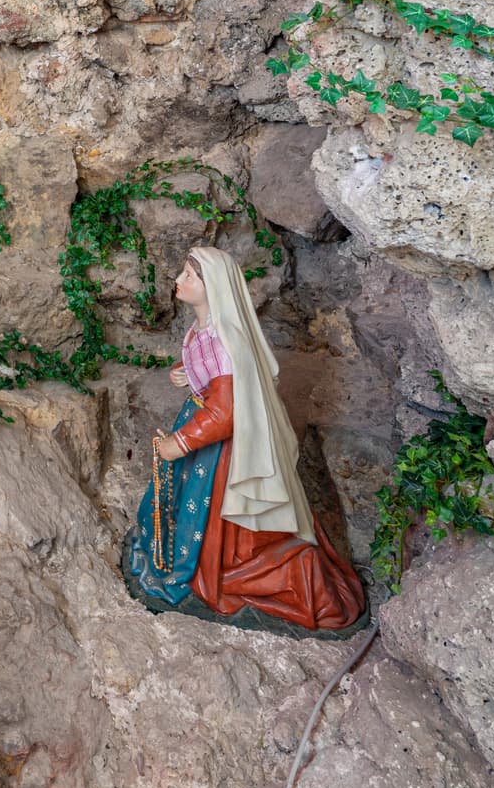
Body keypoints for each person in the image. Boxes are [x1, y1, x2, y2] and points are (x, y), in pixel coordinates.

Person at [124, 245, 366, 633]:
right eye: (183, 273)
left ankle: (251, 570)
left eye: (190, 276)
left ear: (212, 287)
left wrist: (181, 443)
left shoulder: (224, 340)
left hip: (221, 451)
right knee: (184, 505)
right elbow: (212, 376)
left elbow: (225, 414)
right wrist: (183, 372)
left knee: (214, 520)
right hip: (201, 427)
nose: (179, 280)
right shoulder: (207, 328)